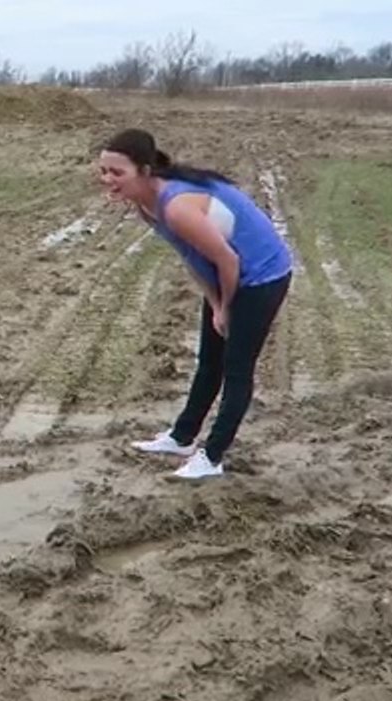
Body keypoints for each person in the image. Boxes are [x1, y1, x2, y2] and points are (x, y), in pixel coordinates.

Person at [97, 128, 293, 481]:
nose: (108, 179)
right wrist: (216, 304)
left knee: (236, 368)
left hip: (263, 276)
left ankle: (212, 458)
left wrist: (225, 308)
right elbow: (192, 258)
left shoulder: (176, 207)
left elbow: (229, 260)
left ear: (144, 171)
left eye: (117, 172)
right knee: (209, 361)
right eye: (104, 171)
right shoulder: (146, 206)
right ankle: (181, 438)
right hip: (228, 275)